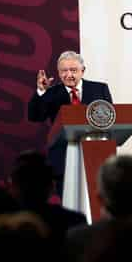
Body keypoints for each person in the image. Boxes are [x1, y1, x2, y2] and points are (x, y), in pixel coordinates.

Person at [28, 50, 113, 197]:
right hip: (63, 159)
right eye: (64, 71)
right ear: (58, 72)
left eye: (73, 70)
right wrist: (41, 92)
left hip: (95, 156)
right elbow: (35, 116)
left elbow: (111, 120)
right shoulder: (51, 93)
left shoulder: (100, 89)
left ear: (83, 70)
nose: (68, 75)